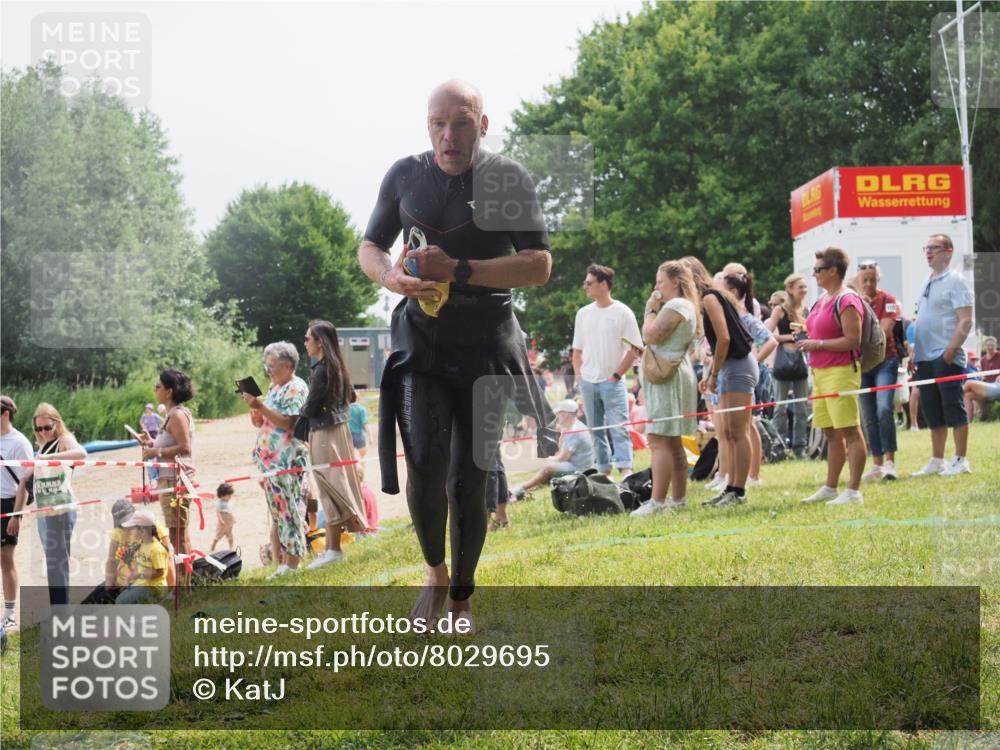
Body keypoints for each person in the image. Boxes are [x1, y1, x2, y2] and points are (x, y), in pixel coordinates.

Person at [357, 80, 556, 630]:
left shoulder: (507, 179)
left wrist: (460, 270)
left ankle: (463, 598)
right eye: (438, 124)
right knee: (423, 459)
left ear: (483, 125)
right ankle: (435, 574)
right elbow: (370, 246)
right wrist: (390, 277)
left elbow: (539, 265)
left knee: (471, 477)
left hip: (487, 341)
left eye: (462, 122)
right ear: (427, 127)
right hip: (422, 341)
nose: (449, 135)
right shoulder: (404, 174)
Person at [682, 257, 757, 507]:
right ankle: (730, 488)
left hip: (738, 366)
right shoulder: (713, 297)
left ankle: (738, 490)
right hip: (729, 367)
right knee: (726, 432)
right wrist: (712, 374)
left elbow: (724, 339)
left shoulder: (711, 298)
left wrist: (713, 374)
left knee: (738, 431)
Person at [797, 246, 867, 505]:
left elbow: (852, 340)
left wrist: (818, 344)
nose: (814, 274)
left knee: (850, 430)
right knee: (830, 432)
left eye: (818, 270)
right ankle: (830, 487)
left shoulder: (847, 299)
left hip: (841, 372)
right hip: (821, 372)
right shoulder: (822, 299)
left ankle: (854, 490)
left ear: (833, 271)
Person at [631, 260, 700, 516]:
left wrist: (650, 309)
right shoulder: (684, 306)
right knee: (671, 442)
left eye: (660, 281)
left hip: (667, 379)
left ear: (675, 282)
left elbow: (651, 335)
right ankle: (678, 499)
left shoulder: (677, 305)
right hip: (671, 375)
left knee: (659, 439)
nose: (656, 286)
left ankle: (657, 503)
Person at [301, 322, 367, 572]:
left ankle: (333, 550)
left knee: (328, 486)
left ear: (319, 342)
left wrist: (302, 411)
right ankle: (332, 548)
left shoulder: (322, 371)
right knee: (335, 484)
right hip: (339, 430)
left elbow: (310, 407)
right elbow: (351, 397)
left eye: (308, 339)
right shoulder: (337, 365)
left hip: (324, 432)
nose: (305, 343)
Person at [242, 342, 311, 579]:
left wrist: (260, 405)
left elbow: (289, 424)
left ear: (288, 365)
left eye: (272, 365)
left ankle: (293, 563)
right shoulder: (275, 387)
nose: (268, 369)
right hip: (272, 464)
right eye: (267, 365)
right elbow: (263, 422)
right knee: (279, 512)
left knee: (289, 510)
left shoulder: (295, 387)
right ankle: (285, 561)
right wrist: (256, 411)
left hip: (286, 461)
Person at [9, 403, 87, 605]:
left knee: (57, 563)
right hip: (44, 511)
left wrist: (48, 458)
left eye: (47, 428)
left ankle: (60, 610)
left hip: (61, 509)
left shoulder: (64, 440)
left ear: (57, 423)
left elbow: (81, 454)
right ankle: (60, 608)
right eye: (38, 429)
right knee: (53, 562)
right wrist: (16, 516)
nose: (42, 433)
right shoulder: (42, 446)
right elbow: (24, 481)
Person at [911, 234, 975, 477]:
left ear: (948, 251)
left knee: (952, 406)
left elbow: (966, 320)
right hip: (925, 356)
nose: (929, 252)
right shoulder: (927, 280)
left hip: (944, 356)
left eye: (934, 248)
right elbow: (922, 319)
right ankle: (937, 460)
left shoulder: (956, 281)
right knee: (931, 409)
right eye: (926, 248)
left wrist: (950, 351)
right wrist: (916, 351)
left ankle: (960, 459)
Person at [572, 263, 643, 477]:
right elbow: (577, 351)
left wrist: (616, 375)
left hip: (612, 382)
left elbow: (635, 349)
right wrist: (579, 378)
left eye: (589, 283)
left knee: (619, 427)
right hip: (588, 382)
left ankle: (626, 471)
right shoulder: (583, 313)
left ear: (604, 284)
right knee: (596, 431)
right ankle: (604, 472)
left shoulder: (623, 312)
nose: (586, 287)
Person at [722, 268, 778, 487]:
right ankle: (731, 478)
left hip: (743, 378)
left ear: (734, 292)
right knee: (732, 431)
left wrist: (755, 359)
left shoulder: (746, 319)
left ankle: (748, 477)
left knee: (746, 427)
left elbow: (770, 340)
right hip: (727, 378)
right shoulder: (729, 318)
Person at [140, 369, 195, 585]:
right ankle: (184, 584)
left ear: (169, 391)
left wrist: (156, 452)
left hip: (176, 480)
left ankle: (184, 585)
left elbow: (184, 447)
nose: (155, 390)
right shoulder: (171, 415)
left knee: (178, 535)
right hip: (170, 479)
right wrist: (152, 443)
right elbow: (172, 443)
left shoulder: (178, 415)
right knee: (177, 533)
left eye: (158, 387)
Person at [856, 260, 902, 481]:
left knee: (884, 409)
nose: (868, 284)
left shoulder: (889, 300)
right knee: (868, 415)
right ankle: (877, 463)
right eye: (864, 280)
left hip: (886, 361)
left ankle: (890, 462)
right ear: (858, 281)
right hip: (863, 365)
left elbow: (883, 332)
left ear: (878, 279)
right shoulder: (854, 301)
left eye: (872, 280)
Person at [84, 498, 174, 604]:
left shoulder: (151, 525)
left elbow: (168, 558)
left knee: (106, 602)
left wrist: (173, 589)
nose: (126, 527)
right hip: (123, 580)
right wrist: (109, 585)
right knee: (95, 596)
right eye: (122, 524)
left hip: (139, 584)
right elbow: (111, 561)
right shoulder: (118, 532)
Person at [511, 400, 596, 498]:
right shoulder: (574, 426)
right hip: (577, 464)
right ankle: (527, 489)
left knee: (548, 467)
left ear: (565, 414)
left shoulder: (575, 431)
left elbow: (563, 457)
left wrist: (544, 460)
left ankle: (520, 488)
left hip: (580, 469)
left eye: (558, 413)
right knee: (547, 467)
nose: (556, 416)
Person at [767, 274, 811, 458]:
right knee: (780, 408)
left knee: (802, 407)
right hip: (783, 362)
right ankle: (778, 447)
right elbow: (767, 334)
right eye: (801, 286)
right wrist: (790, 337)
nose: (804, 290)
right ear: (791, 289)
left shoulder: (806, 311)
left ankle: (800, 447)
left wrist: (805, 337)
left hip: (801, 360)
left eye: (805, 286)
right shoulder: (780, 310)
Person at [1, 396, 33, 630]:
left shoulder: (19, 442)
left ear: (5, 414)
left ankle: (10, 613)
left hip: (7, 504)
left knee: (6, 559)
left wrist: (16, 515)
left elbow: (25, 480)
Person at [115, 509, 169, 604]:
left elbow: (160, 572)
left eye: (132, 529)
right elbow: (141, 565)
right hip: (143, 583)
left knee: (120, 602)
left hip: (154, 588)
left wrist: (139, 575)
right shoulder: (141, 544)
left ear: (143, 531)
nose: (130, 532)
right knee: (119, 597)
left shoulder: (156, 549)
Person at [968, 336, 1000, 421]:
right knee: (968, 395)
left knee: (969, 383)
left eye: (992, 345)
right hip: (988, 386)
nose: (990, 347)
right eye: (988, 345)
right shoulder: (983, 360)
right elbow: (983, 376)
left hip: (997, 386)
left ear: (996, 345)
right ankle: (968, 422)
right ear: (985, 346)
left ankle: (957, 395)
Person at [211, 482, 236, 552]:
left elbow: (230, 512)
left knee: (230, 536)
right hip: (222, 524)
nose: (230, 497)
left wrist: (233, 519)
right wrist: (220, 520)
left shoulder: (229, 501)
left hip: (229, 523)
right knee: (218, 536)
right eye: (229, 495)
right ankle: (212, 547)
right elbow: (218, 512)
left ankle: (231, 548)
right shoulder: (219, 503)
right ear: (222, 495)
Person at [347, 390, 370, 458]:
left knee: (351, 457)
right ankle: (363, 468)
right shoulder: (361, 409)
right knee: (363, 456)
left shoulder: (346, 409)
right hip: (359, 435)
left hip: (348, 435)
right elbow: (365, 423)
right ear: (358, 398)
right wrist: (370, 436)